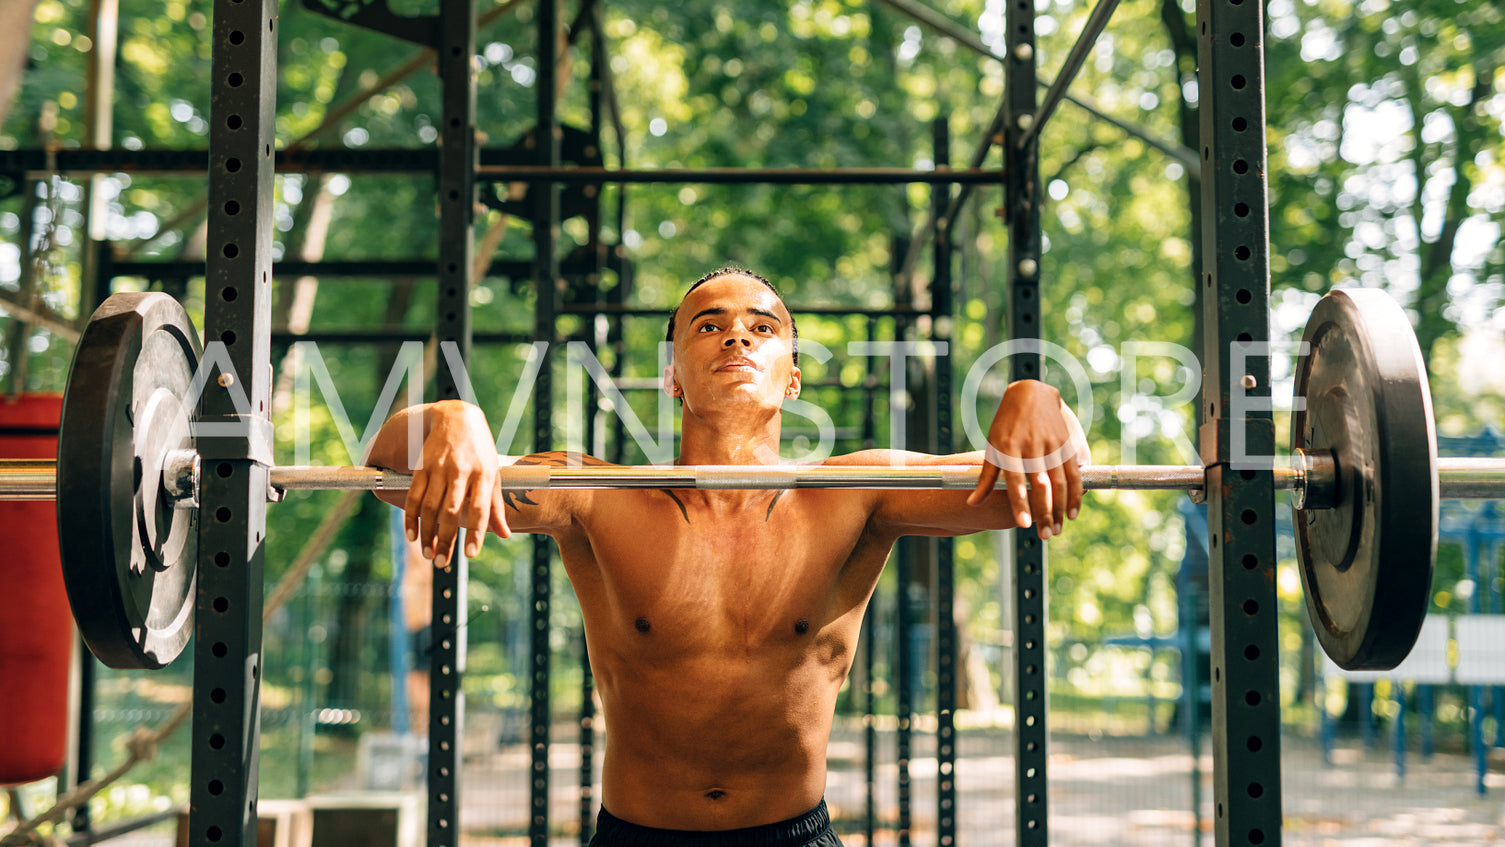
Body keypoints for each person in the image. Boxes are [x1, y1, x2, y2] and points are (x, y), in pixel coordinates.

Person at [366, 267, 1086, 846]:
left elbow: (1037, 477)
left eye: (760, 327)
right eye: (708, 326)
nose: (736, 338)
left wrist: (1037, 394)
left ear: (792, 376)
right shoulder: (595, 495)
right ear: (673, 375)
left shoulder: (854, 493)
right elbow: (386, 466)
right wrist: (449, 419)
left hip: (796, 835)